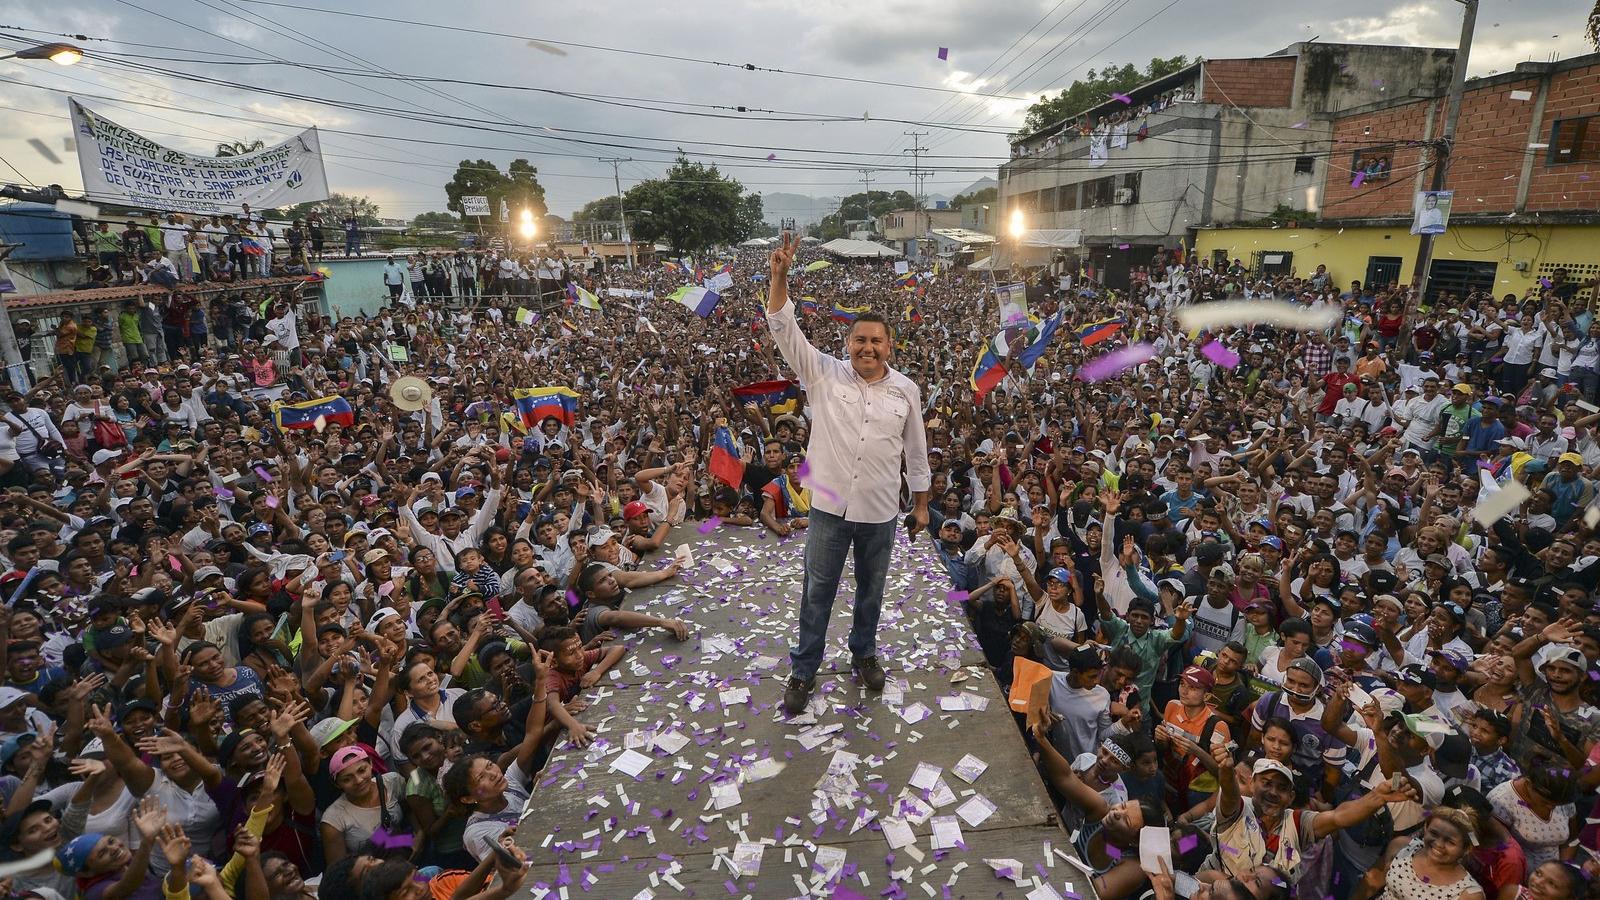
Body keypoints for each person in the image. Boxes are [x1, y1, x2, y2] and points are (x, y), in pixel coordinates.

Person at [765, 232, 932, 714]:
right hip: (828, 509)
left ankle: (863, 654)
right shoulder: (821, 373)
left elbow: (916, 452)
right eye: (859, 339)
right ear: (847, 343)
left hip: (880, 511)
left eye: (876, 340)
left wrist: (920, 505)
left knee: (870, 591)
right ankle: (803, 670)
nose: (867, 347)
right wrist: (779, 277)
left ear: (889, 346)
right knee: (817, 591)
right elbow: (782, 325)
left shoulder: (906, 391)